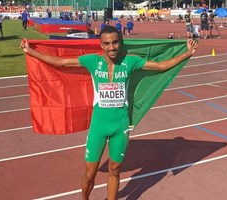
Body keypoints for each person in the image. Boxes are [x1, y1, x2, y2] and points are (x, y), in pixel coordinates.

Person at [20, 25, 198, 200]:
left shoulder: (130, 62)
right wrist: (30, 51)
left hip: (120, 127)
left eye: (114, 43)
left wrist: (187, 53)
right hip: (98, 126)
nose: (111, 48)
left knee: (115, 169)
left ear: (120, 43)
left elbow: (160, 66)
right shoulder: (92, 61)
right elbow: (61, 62)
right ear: (101, 44)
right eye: (107, 43)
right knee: (90, 173)